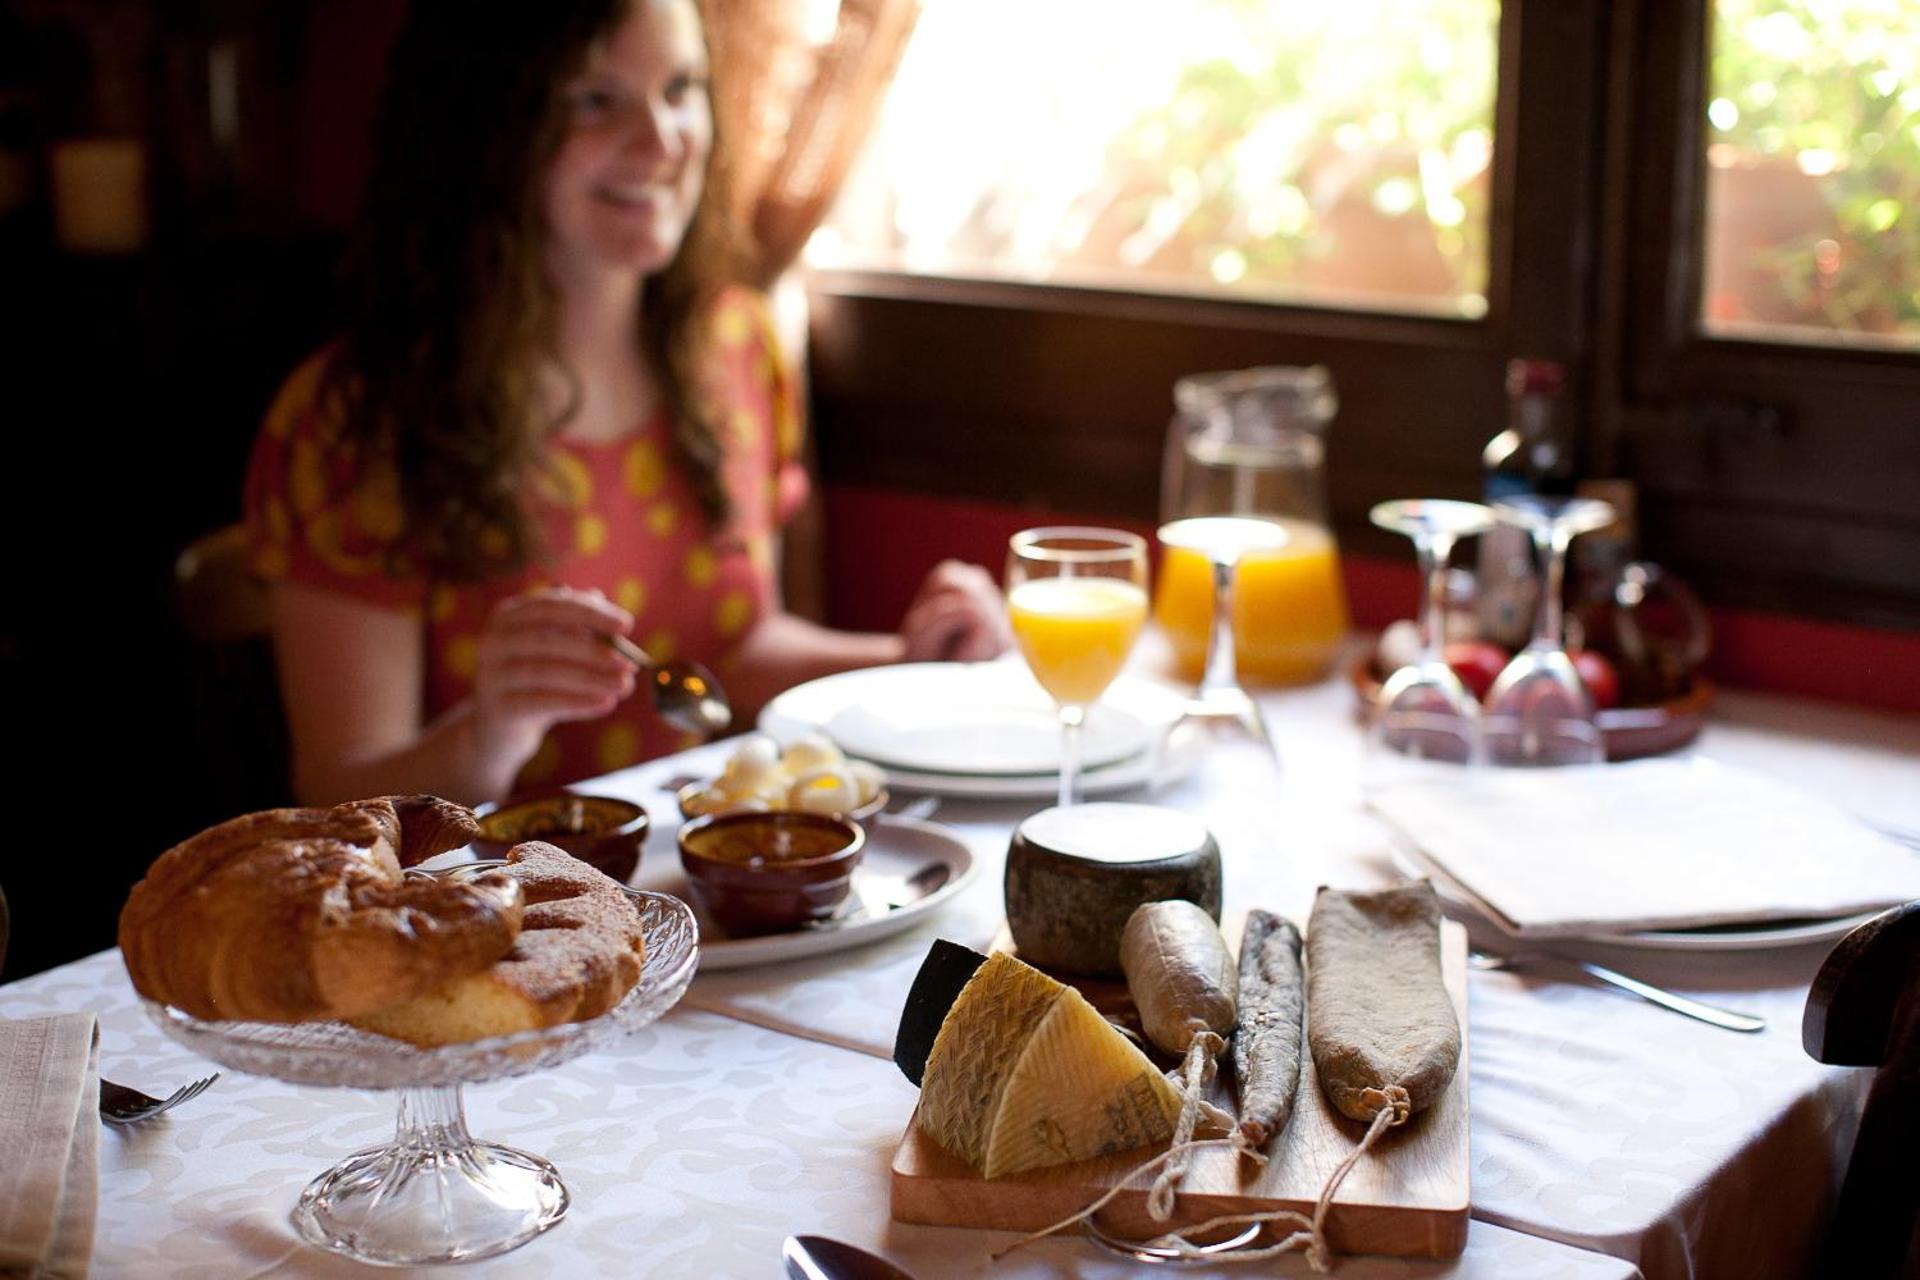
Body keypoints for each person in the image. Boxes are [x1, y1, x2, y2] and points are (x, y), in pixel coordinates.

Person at [244, 0, 1006, 807]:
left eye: (681, 88)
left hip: (685, 886)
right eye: (594, 100)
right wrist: (488, 732)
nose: (662, 141)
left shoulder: (733, 344)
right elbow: (334, 801)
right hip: (487, 911)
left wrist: (916, 661)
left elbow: (732, 655)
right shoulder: (358, 419)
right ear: (486, 127)